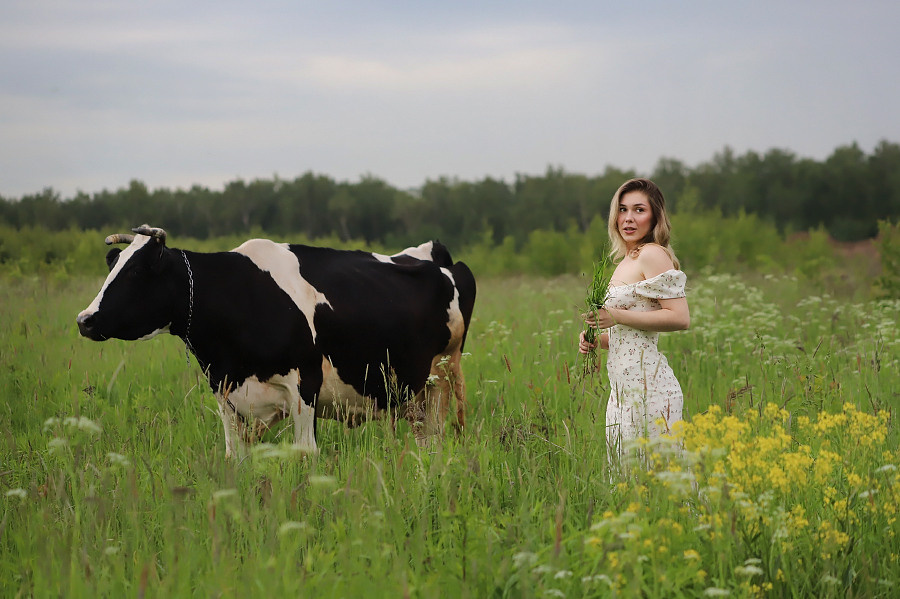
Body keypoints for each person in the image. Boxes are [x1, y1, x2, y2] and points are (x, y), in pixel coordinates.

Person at [578, 178, 690, 460]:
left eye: (639, 210)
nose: (628, 218)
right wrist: (597, 339)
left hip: (649, 388)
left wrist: (615, 315)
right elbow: (629, 334)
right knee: (627, 484)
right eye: (623, 209)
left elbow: (680, 317)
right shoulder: (625, 260)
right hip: (621, 391)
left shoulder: (652, 254)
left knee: (656, 485)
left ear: (655, 217)